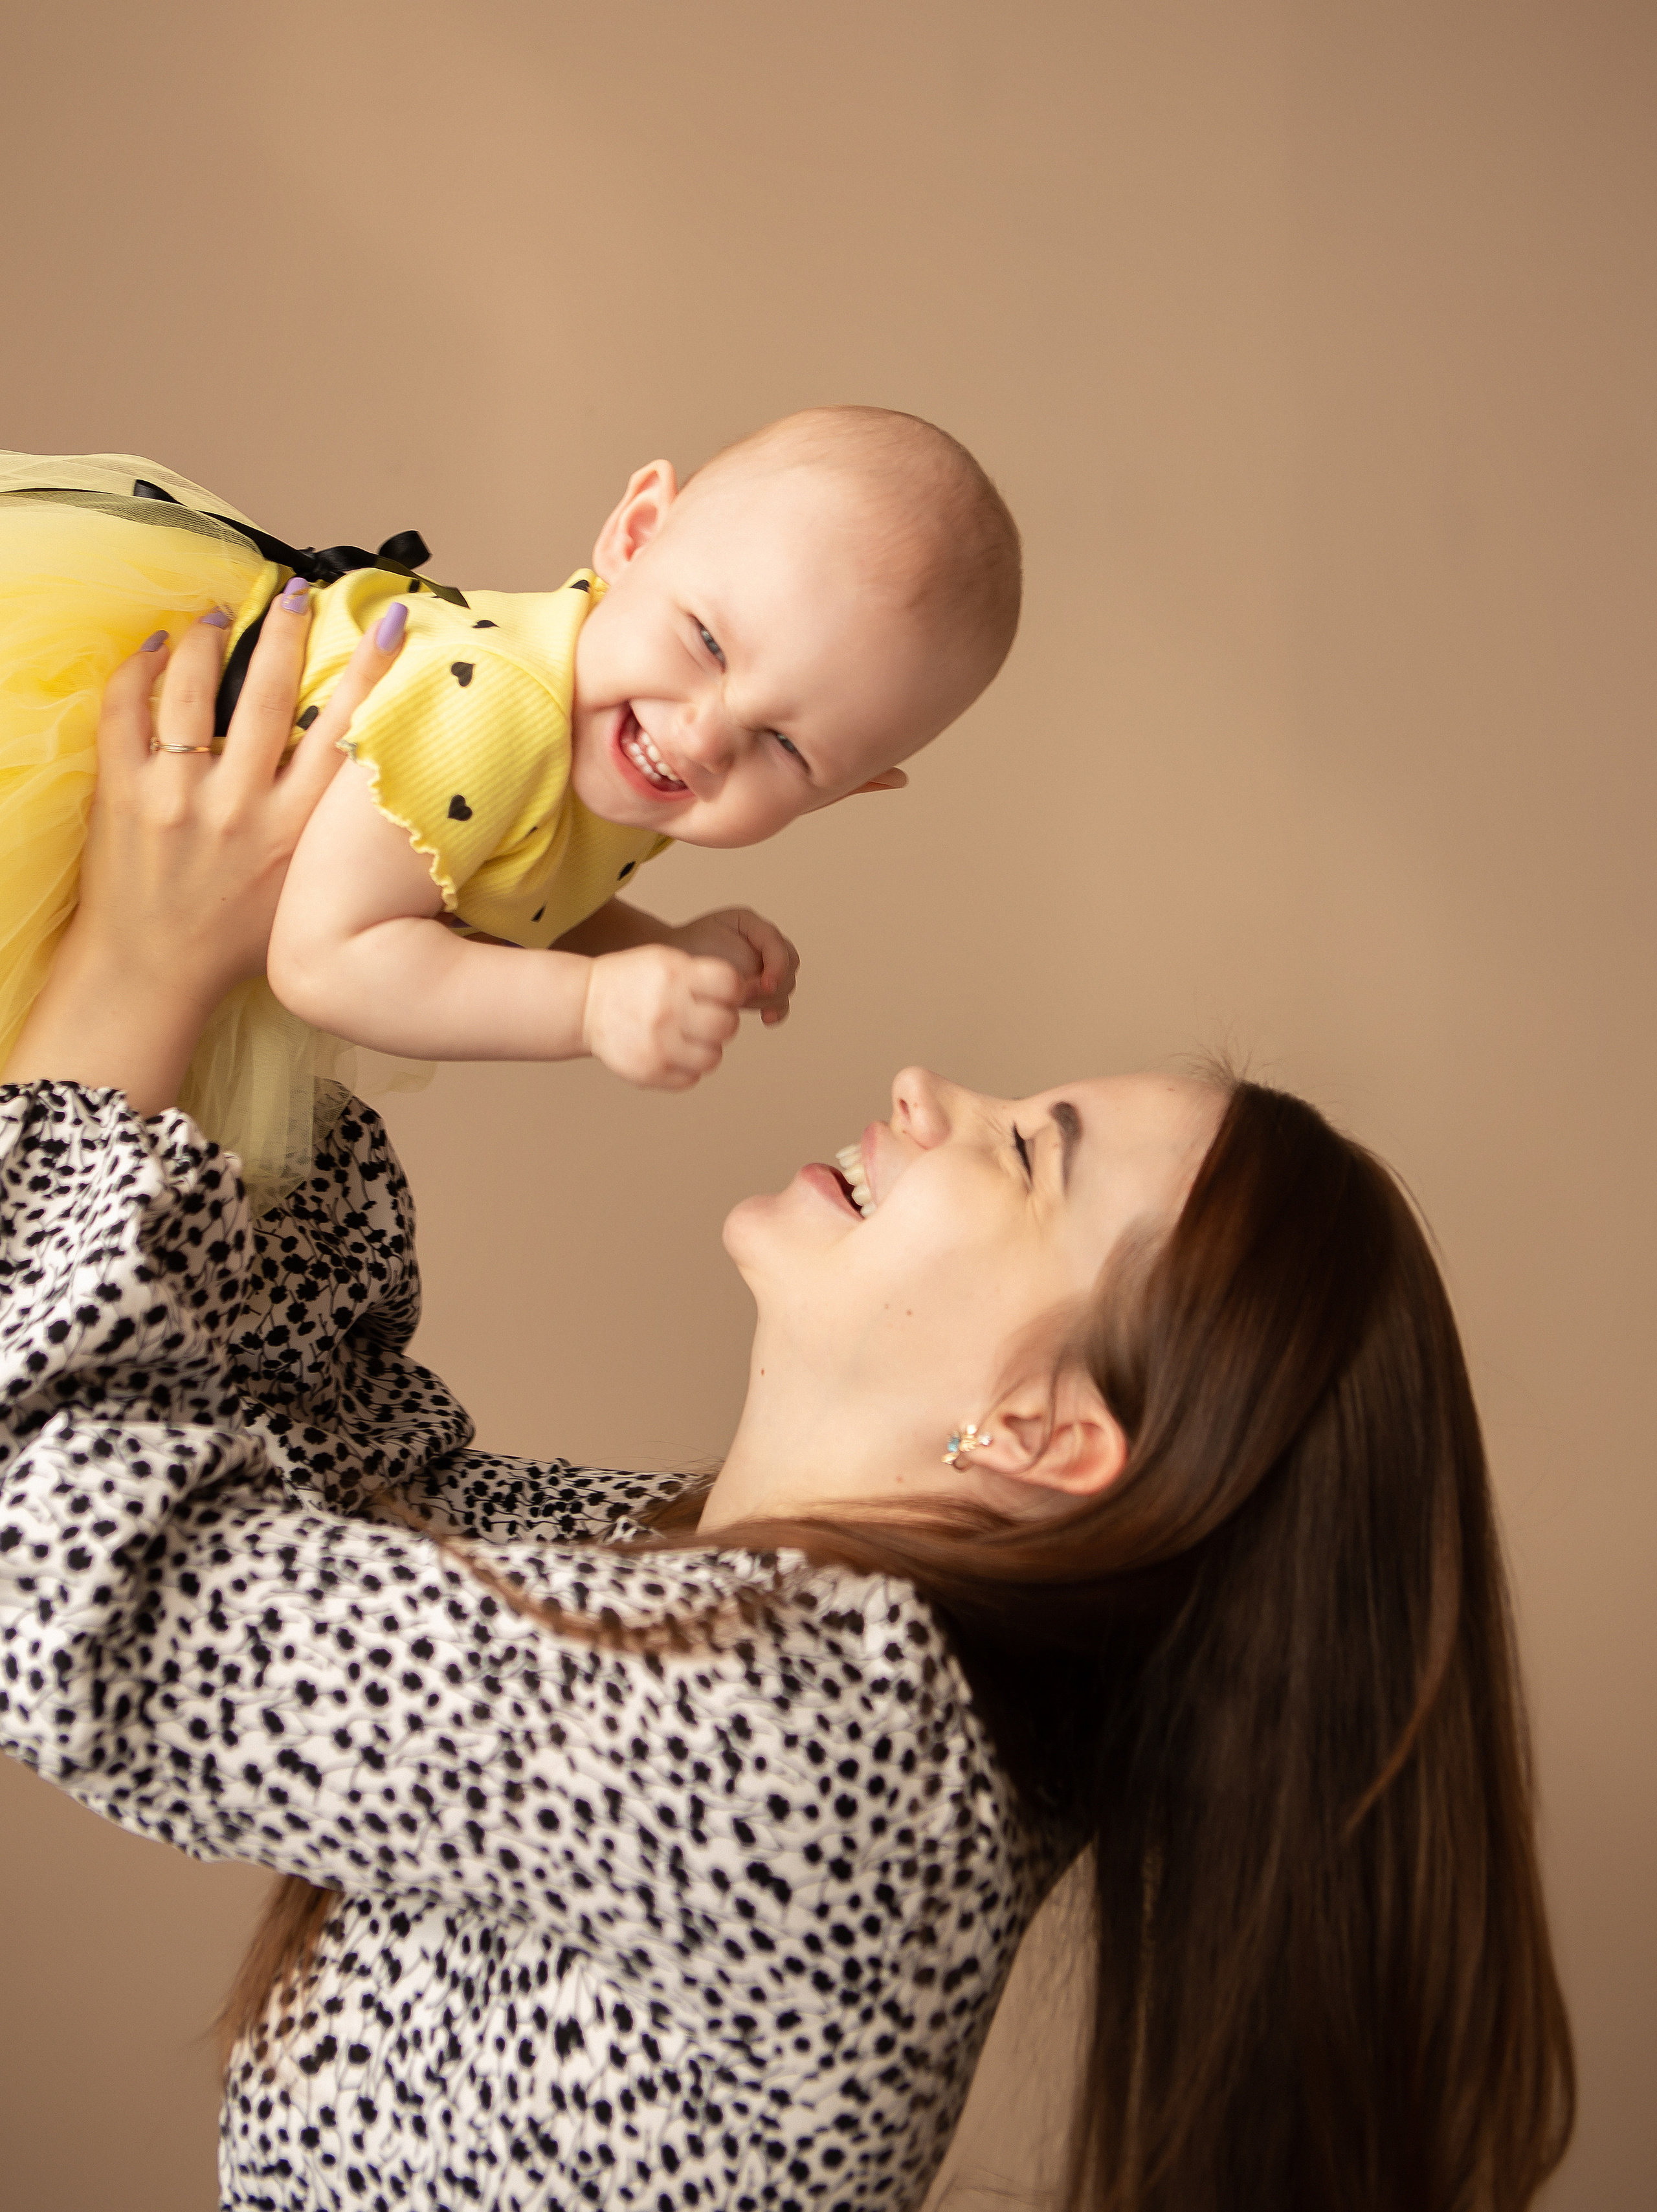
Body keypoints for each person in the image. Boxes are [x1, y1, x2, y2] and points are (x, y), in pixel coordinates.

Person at [0, 615, 1573, 2211]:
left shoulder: (806, 1737)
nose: (922, 1089)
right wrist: (327, 930)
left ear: (1041, 1428)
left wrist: (139, 972)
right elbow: (349, 1464)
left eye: (1025, 1150)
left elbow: (63, 1591)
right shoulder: (731, 1607)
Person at [0, 408, 1021, 1206]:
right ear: (635, 534)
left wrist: (653, 947)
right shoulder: (505, 705)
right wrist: (592, 1007)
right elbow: (326, 958)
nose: (706, 734)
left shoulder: (615, 739)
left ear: (849, 790)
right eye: (708, 642)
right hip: (93, 775)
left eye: (788, 747)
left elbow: (493, 882)